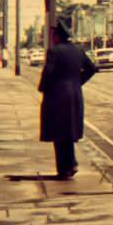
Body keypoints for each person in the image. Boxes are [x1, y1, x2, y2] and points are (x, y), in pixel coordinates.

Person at [38, 22, 97, 180]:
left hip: (57, 95)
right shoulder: (79, 50)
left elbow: (48, 72)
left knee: (58, 132)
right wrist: (78, 81)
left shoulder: (55, 52)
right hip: (75, 95)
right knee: (69, 131)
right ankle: (71, 163)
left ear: (58, 36)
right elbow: (92, 68)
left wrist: (43, 87)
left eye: (53, 36)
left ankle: (64, 168)